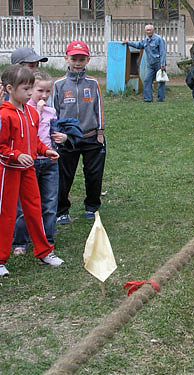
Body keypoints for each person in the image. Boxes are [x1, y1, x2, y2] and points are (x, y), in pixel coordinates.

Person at [0, 65, 65, 277]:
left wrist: (45, 150)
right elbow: (1, 147)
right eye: (26, 89)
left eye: (31, 89)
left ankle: (45, 251)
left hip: (28, 170)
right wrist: (16, 155)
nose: (30, 93)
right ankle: (1, 259)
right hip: (8, 172)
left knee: (35, 210)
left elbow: (34, 140)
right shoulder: (4, 115)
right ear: (10, 88)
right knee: (7, 214)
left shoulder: (32, 113)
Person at [12, 71, 68, 256]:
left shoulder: (51, 112)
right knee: (24, 205)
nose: (44, 95)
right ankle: (21, 241)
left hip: (49, 162)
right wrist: (37, 110)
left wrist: (62, 138)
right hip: (29, 163)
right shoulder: (23, 111)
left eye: (47, 91)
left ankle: (47, 240)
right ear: (30, 91)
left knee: (50, 203)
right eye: (39, 91)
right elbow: (26, 131)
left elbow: (54, 132)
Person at [53, 40, 106, 224]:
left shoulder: (93, 83)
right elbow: (54, 112)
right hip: (67, 139)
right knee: (64, 175)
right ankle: (62, 210)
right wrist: (56, 135)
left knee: (93, 174)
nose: (77, 63)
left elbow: (99, 108)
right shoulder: (59, 84)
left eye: (81, 59)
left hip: (91, 137)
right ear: (66, 58)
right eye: (74, 58)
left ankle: (92, 207)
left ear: (88, 60)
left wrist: (100, 132)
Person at [124, 25, 167, 103]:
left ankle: (161, 99)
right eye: (147, 30)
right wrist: (128, 43)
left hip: (159, 63)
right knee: (147, 80)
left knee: (161, 81)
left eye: (150, 30)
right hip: (150, 64)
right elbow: (138, 45)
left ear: (153, 30)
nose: (148, 31)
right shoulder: (145, 40)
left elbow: (163, 52)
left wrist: (163, 64)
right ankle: (148, 99)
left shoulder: (159, 39)